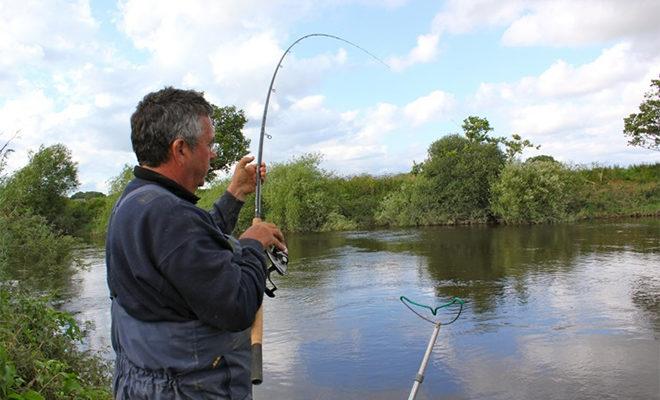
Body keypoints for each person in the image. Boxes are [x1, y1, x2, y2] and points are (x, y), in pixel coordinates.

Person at [106, 87, 285, 399]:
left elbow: (189, 254)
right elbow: (237, 306)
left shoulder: (138, 199)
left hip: (145, 382)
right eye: (208, 143)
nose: (212, 152)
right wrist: (253, 244)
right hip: (185, 390)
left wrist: (236, 192)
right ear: (180, 149)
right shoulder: (169, 214)